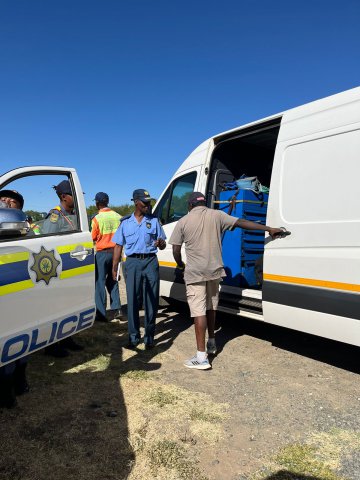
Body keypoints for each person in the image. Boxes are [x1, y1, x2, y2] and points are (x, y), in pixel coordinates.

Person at [169, 192, 284, 370]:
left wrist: (180, 264)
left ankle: (201, 358)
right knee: (211, 307)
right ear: (204, 203)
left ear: (190, 205)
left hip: (195, 273)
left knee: (198, 311)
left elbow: (176, 250)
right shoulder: (217, 215)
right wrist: (269, 229)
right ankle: (212, 342)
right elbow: (241, 222)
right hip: (215, 272)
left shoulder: (183, 221)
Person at [112, 189, 166, 349]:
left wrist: (161, 244)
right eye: (145, 202)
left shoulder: (154, 221)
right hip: (132, 263)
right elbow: (118, 246)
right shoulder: (125, 223)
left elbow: (162, 243)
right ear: (136, 202)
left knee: (151, 300)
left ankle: (149, 338)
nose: (149, 205)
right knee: (133, 301)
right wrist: (114, 268)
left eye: (149, 202)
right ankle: (133, 337)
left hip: (150, 261)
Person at [42, 180, 83, 357]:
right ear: (63, 197)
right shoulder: (55, 215)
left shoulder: (75, 214)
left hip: (70, 270)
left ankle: (66, 338)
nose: (77, 198)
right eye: (73, 194)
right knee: (54, 308)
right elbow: (45, 244)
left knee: (68, 307)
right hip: (56, 271)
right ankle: (51, 345)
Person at [0, 190, 29, 408]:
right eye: (2, 200)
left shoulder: (28, 230)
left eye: (13, 202)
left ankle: (16, 381)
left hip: (22, 293)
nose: (6, 203)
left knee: (19, 339)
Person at [91, 192, 122, 322]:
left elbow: (92, 237)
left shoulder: (97, 219)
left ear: (97, 203)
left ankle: (101, 313)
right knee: (113, 280)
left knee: (100, 282)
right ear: (107, 202)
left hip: (102, 254)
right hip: (116, 253)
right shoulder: (118, 217)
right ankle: (117, 309)